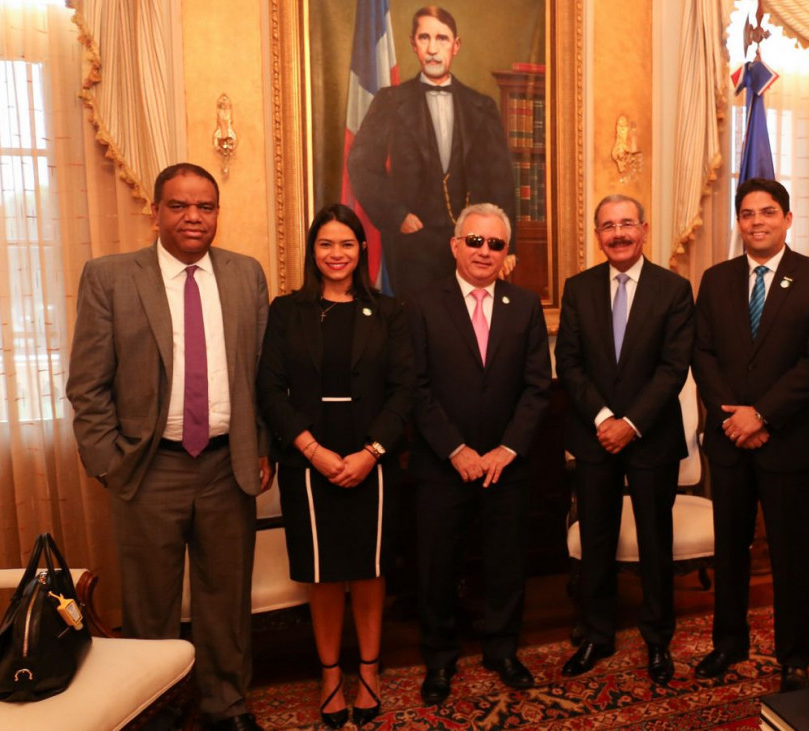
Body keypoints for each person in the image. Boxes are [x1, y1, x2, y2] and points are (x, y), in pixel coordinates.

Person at [66, 163, 271, 731]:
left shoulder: (244, 275)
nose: (193, 217)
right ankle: (154, 710)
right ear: (154, 212)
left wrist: (263, 447)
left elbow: (262, 375)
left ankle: (226, 705)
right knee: (150, 602)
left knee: (226, 600)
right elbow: (87, 384)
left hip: (229, 465)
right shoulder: (111, 277)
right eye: (179, 206)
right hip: (149, 466)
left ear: (216, 215)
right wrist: (110, 462)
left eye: (205, 207)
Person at [256, 204, 413, 728]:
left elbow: (404, 391)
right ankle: (329, 675)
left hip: (374, 459)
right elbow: (270, 390)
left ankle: (368, 671)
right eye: (326, 244)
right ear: (312, 251)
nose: (337, 253)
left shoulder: (389, 312)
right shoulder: (287, 311)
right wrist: (312, 450)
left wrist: (371, 453)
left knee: (368, 571)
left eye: (347, 243)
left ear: (361, 250)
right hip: (309, 459)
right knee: (322, 574)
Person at [691, 177, 809, 692]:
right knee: (729, 549)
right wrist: (734, 417)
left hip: (789, 442)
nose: (757, 221)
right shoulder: (715, 279)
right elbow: (703, 354)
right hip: (730, 442)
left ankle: (794, 657)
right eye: (748, 213)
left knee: (791, 556)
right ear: (738, 221)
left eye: (768, 212)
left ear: (788, 219)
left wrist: (763, 415)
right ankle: (727, 643)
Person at [407, 202, 551, 704]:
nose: (484, 251)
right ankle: (440, 659)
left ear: (505, 252)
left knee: (506, 562)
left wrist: (506, 449)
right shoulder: (421, 304)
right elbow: (416, 388)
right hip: (442, 464)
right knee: (438, 566)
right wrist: (457, 449)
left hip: (506, 466)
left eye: (495, 244)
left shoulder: (525, 305)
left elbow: (537, 389)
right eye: (475, 241)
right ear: (455, 245)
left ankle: (502, 649)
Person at [555, 194, 695, 685]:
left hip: (651, 436)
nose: (618, 233)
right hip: (594, 437)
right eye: (608, 225)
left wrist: (630, 422)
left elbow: (673, 368)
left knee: (657, 540)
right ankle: (596, 634)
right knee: (596, 538)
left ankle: (658, 639)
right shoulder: (578, 288)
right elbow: (568, 363)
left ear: (644, 228)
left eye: (627, 224)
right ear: (598, 235)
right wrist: (602, 418)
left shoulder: (674, 289)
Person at [347, 5, 516, 299]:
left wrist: (508, 246)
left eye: (442, 39)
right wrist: (398, 216)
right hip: (413, 249)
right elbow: (361, 164)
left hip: (475, 247)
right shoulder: (390, 101)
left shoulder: (482, 106)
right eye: (425, 38)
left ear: (456, 45)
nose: (434, 49)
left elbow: (501, 181)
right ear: (414, 45)